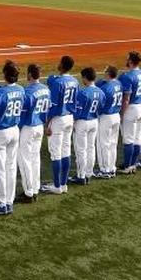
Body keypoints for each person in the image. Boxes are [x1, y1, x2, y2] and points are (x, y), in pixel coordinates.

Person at [0, 61, 25, 213]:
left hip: (0, 133)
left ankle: (1, 204)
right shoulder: (21, 90)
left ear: (5, 75)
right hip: (14, 130)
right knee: (11, 166)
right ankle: (9, 200)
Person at [44, 56, 79, 194]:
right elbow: (75, 102)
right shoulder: (75, 81)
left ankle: (57, 186)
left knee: (55, 153)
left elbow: (52, 106)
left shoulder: (58, 83)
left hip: (58, 119)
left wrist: (47, 124)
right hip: (70, 118)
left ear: (62, 65)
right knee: (65, 151)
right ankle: (63, 184)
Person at [17, 64, 50, 200]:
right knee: (35, 158)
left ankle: (29, 193)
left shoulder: (28, 92)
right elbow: (47, 110)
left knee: (25, 160)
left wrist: (18, 129)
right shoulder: (46, 90)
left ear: (30, 74)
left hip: (28, 128)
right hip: (39, 127)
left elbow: (22, 115)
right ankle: (35, 188)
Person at [118, 52, 141, 173]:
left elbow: (126, 98)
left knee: (128, 139)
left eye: (128, 58)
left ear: (131, 61)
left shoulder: (128, 76)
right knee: (137, 138)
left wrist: (122, 113)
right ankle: (132, 164)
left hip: (132, 108)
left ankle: (127, 166)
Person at [71, 67, 103, 182]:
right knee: (91, 148)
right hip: (94, 121)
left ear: (85, 78)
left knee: (81, 150)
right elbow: (101, 108)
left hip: (82, 123)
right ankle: (89, 173)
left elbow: (77, 112)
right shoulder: (100, 92)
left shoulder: (83, 92)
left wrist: (73, 123)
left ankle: (81, 175)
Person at [95, 66, 124, 177]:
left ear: (108, 73)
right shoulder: (118, 84)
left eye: (105, 70)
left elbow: (101, 105)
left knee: (103, 144)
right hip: (116, 115)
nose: (104, 72)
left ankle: (105, 170)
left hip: (106, 117)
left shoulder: (106, 88)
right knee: (112, 144)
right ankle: (112, 167)